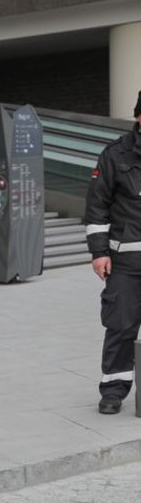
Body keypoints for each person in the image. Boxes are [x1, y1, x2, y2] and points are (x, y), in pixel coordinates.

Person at [86, 91, 141, 414]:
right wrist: (99, 252)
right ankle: (113, 390)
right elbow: (97, 206)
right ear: (138, 116)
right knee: (121, 326)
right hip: (126, 264)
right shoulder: (114, 155)